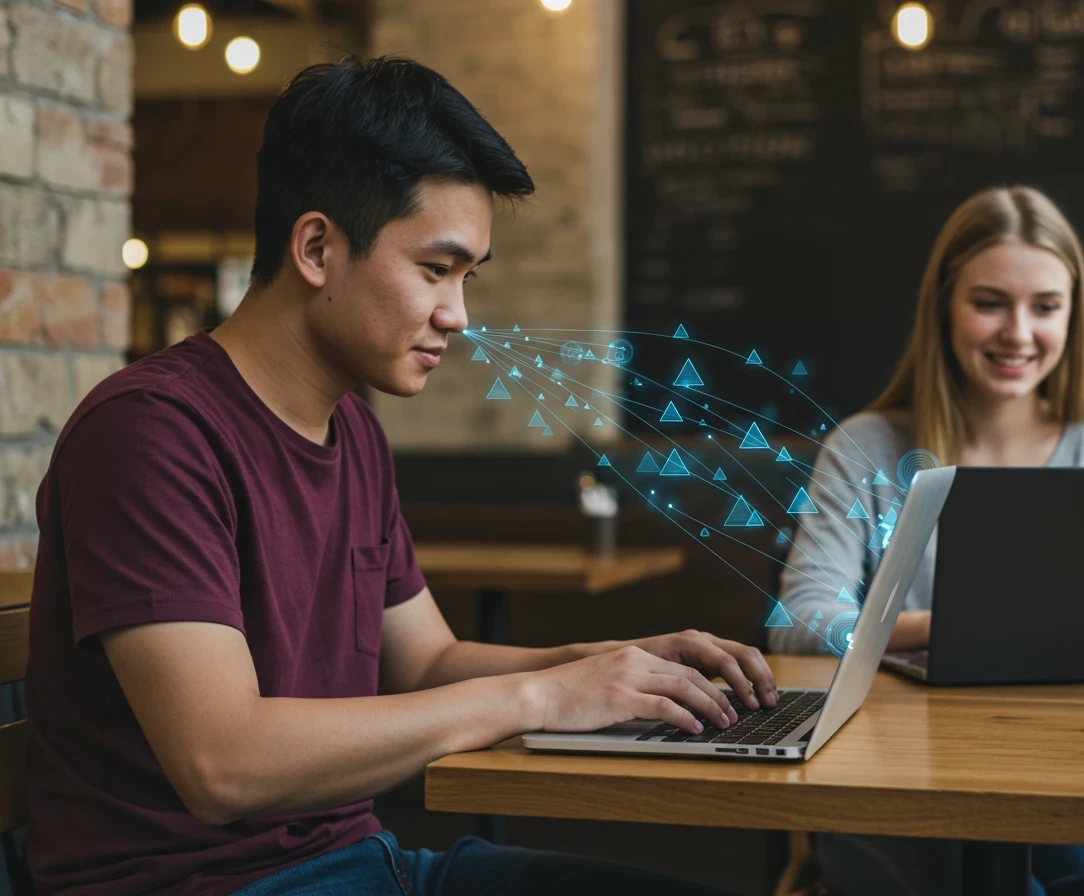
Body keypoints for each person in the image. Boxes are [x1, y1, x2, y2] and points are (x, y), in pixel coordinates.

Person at [23, 56, 777, 896]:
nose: (458, 315)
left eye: (467, 278)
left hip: (363, 865)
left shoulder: (352, 429)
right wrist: (539, 699)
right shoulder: (151, 433)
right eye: (434, 270)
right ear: (316, 247)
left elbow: (425, 665)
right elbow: (222, 763)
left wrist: (606, 665)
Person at [768, 186, 1084, 896]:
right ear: (943, 307)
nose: (1019, 332)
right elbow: (802, 621)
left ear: (1071, 315)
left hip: (1079, 773)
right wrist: (954, 632)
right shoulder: (864, 448)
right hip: (890, 774)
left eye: (1045, 306)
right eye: (990, 302)